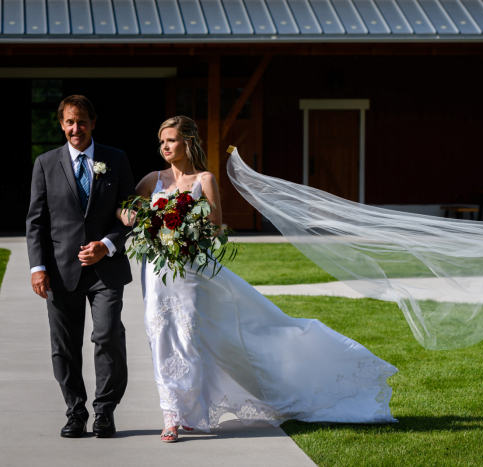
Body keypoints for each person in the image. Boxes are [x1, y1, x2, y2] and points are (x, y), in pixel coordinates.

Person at [120, 116, 396, 443]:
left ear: (188, 142)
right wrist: (144, 222)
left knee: (189, 335)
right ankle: (171, 413)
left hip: (190, 270)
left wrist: (185, 232)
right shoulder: (153, 179)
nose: (165, 147)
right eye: (162, 141)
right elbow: (125, 211)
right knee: (160, 335)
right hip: (156, 272)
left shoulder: (204, 179)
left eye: (172, 140)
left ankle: (188, 410)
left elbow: (216, 227)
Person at [26, 95, 136, 438]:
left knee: (107, 336)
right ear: (61, 124)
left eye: (82, 121)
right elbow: (36, 222)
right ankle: (75, 412)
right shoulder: (45, 163)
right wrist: (37, 267)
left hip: (106, 270)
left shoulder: (115, 159)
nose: (77, 128)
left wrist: (106, 245)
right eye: (70, 122)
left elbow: (130, 214)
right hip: (59, 271)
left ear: (93, 122)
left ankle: (105, 411)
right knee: (65, 345)